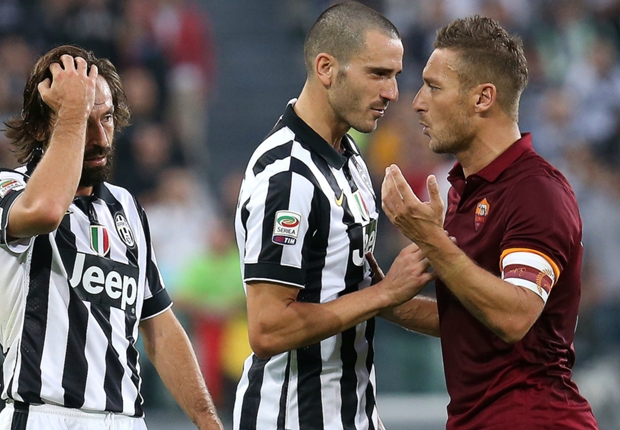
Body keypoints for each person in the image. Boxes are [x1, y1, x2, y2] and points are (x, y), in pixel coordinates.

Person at [380, 15, 598, 429]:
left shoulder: (535, 191)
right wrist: (382, 298)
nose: (418, 102)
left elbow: (514, 316)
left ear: (483, 98)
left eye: (434, 87)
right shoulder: (467, 191)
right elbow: (470, 318)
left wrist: (430, 239)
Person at [0, 45, 223, 430]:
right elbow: (47, 211)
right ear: (38, 128)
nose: (101, 137)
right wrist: (73, 108)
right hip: (40, 415)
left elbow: (159, 326)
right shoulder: (10, 189)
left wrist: (207, 419)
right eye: (83, 120)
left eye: (105, 118)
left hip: (124, 419)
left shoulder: (127, 208)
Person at [233, 2, 434, 429]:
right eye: (377, 74)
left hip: (352, 411)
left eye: (395, 76)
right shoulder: (288, 175)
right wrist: (385, 293)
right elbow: (268, 329)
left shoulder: (350, 157)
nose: (392, 93)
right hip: (292, 417)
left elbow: (353, 291)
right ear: (326, 68)